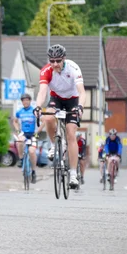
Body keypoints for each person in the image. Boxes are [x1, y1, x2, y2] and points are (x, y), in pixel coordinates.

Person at [33, 44, 85, 189]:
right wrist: (38, 106)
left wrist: (80, 106)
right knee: (48, 117)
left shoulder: (73, 68)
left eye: (58, 61)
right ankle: (55, 144)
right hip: (56, 99)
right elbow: (42, 92)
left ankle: (73, 174)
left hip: (73, 100)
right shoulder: (46, 71)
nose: (55, 64)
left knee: (70, 133)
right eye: (52, 61)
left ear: (64, 59)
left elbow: (82, 92)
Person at [13, 93, 38, 184]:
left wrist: (37, 131)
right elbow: (15, 121)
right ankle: (21, 159)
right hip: (24, 133)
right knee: (19, 141)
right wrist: (18, 130)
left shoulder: (34, 111)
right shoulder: (19, 112)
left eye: (27, 100)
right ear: (22, 102)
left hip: (33, 134)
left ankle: (34, 171)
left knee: (31, 151)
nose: (25, 102)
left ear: (30, 101)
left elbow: (43, 121)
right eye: (24, 100)